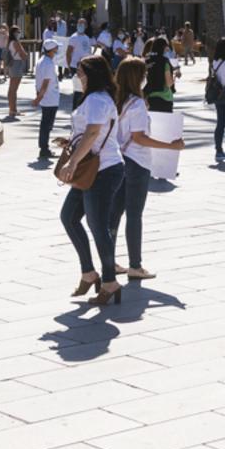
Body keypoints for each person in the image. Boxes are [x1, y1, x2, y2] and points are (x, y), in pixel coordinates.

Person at [60, 54, 125, 305]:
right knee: (69, 217)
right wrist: (71, 145)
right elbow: (88, 133)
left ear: (92, 74)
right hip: (91, 169)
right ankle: (89, 272)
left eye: (81, 71)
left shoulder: (98, 99)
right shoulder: (94, 99)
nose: (78, 75)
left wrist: (73, 161)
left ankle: (109, 281)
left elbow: (93, 132)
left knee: (98, 227)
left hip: (103, 169)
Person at [110, 58, 183, 280]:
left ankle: (109, 260)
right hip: (137, 162)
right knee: (134, 215)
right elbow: (140, 138)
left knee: (114, 214)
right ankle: (135, 265)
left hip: (118, 160)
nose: (146, 79)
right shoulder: (137, 104)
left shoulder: (115, 100)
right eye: (143, 75)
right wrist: (170, 146)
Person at [32, 35, 62, 161]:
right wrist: (38, 98)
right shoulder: (48, 64)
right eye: (55, 49)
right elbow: (45, 83)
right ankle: (44, 148)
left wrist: (38, 96)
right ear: (51, 50)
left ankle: (44, 147)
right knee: (47, 125)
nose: (57, 51)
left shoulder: (41, 61)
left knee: (45, 124)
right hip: (50, 99)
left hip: (47, 98)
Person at [3, 26, 28, 120]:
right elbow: (23, 55)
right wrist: (26, 54)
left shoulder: (9, 42)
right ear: (14, 33)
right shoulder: (16, 42)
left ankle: (13, 109)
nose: (19, 33)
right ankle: (13, 110)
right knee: (13, 89)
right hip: (17, 64)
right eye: (18, 32)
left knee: (12, 89)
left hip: (12, 64)